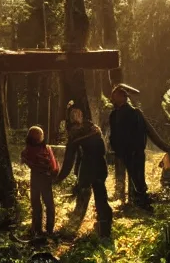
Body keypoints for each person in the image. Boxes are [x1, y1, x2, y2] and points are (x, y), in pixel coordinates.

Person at [53, 101, 112, 240]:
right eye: (73, 114)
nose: (75, 117)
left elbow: (68, 161)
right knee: (100, 195)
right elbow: (103, 150)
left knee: (83, 197)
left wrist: (58, 178)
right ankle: (105, 229)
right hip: (100, 166)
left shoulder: (75, 134)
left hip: (88, 169)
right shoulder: (94, 128)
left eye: (76, 114)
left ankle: (71, 231)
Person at [109, 84, 152, 210]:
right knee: (120, 177)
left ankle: (140, 203)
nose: (113, 99)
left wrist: (137, 150)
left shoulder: (134, 113)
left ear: (123, 97)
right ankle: (122, 199)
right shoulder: (114, 115)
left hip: (134, 152)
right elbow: (114, 134)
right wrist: (115, 148)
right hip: (120, 152)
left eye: (115, 96)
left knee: (138, 179)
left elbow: (140, 134)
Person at [21, 126, 59, 236]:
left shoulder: (27, 150)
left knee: (36, 204)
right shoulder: (46, 149)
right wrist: (54, 173)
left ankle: (37, 229)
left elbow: (24, 159)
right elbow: (52, 166)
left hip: (34, 178)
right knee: (49, 205)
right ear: (39, 137)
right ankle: (49, 229)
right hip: (45, 179)